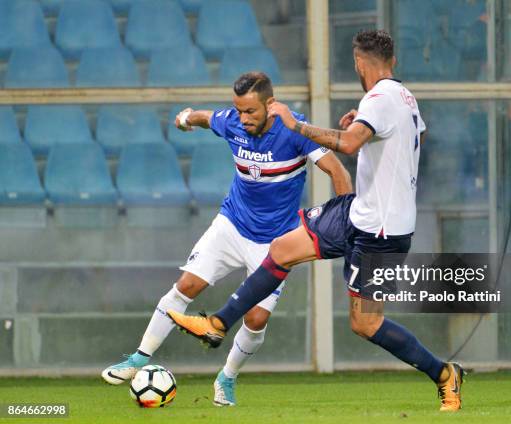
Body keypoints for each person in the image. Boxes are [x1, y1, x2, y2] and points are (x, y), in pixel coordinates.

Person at [168, 30, 465, 412]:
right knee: (283, 248)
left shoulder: (380, 97)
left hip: (382, 232)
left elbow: (349, 144)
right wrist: (368, 124)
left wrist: (295, 125)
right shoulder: (402, 98)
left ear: (361, 62)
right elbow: (408, 138)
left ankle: (444, 374)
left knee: (366, 325)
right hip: (359, 212)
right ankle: (219, 324)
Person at [101, 72, 352, 407]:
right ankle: (138, 359)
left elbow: (339, 172)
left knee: (256, 319)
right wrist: (186, 118)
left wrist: (345, 223)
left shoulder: (296, 130)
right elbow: (207, 117)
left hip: (275, 243)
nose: (243, 118)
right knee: (187, 285)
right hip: (231, 226)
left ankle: (227, 378)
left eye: (250, 111)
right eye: (239, 110)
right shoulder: (232, 121)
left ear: (270, 105)